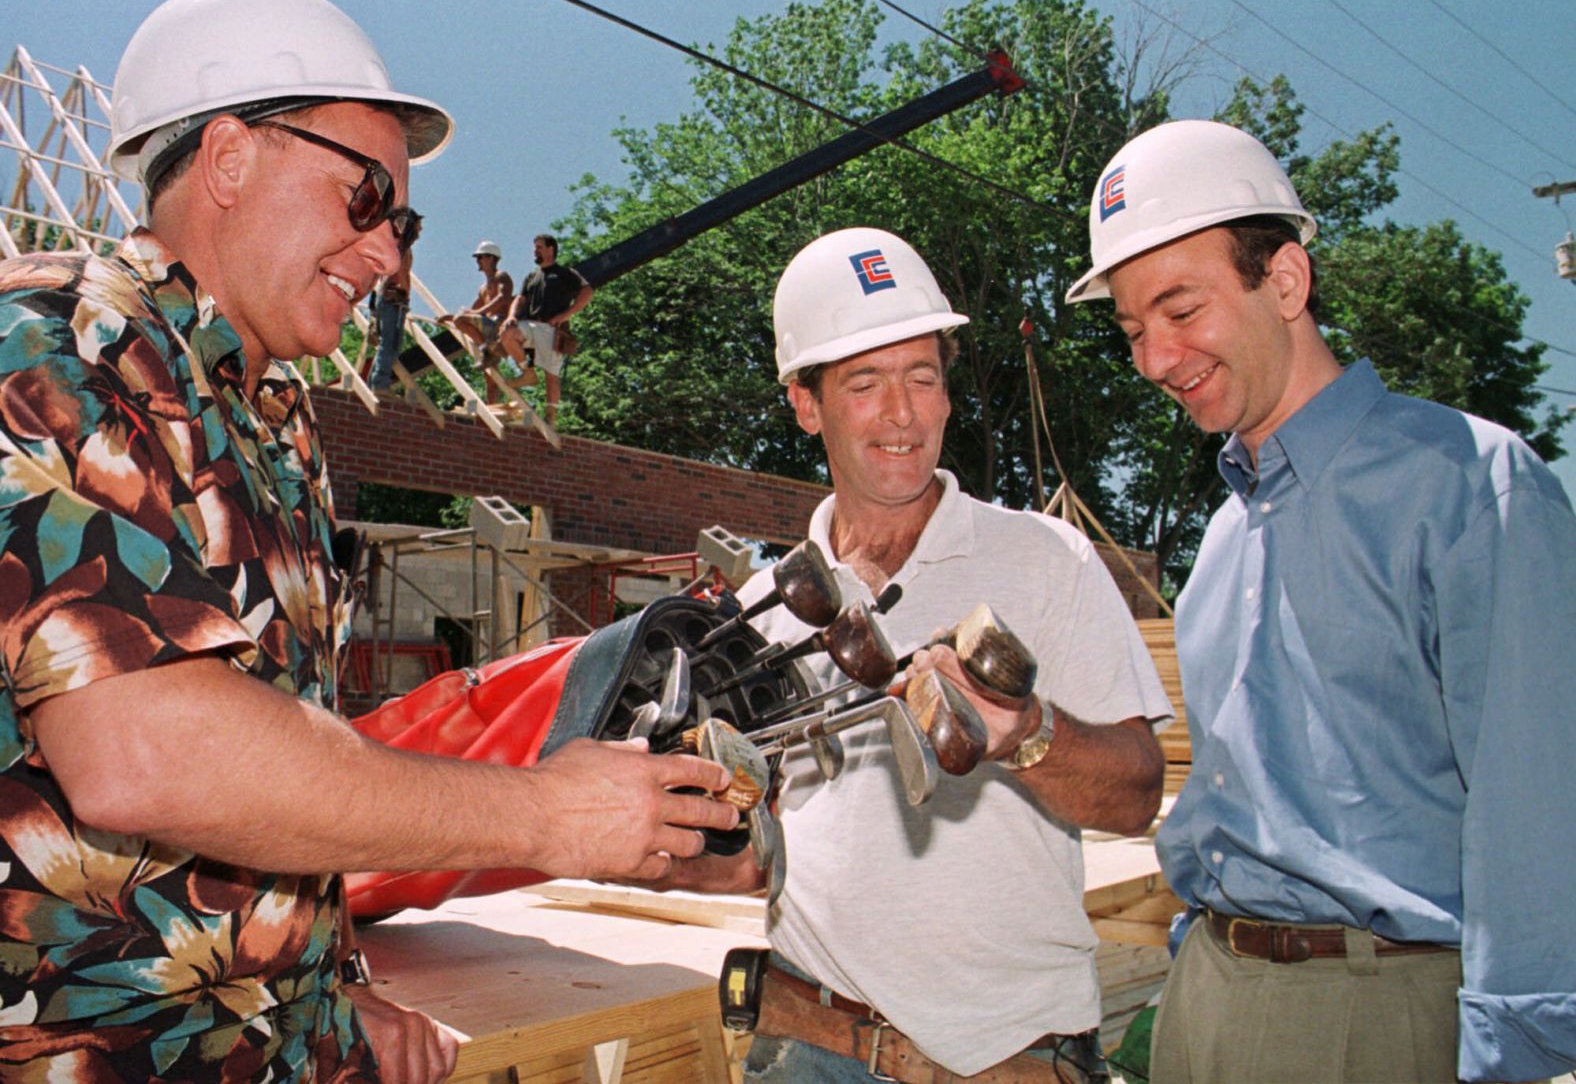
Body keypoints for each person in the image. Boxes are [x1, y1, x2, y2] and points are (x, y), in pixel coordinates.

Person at [0, 0, 738, 1084]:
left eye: (405, 223)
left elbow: (287, 749)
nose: (390, 257)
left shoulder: (276, 427)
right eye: (367, 198)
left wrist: (331, 978)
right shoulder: (52, 344)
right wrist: (544, 814)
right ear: (231, 157)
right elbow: (146, 752)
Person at [1067, 119, 1576, 1084]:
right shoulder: (1222, 543)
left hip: (1378, 1016)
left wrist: (1514, 1055)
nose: (1156, 359)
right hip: (1206, 1000)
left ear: (1287, 281)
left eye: (1181, 311)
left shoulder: (1469, 485)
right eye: (1134, 331)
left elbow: (1538, 816)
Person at [663, 227, 1173, 1083]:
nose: (901, 415)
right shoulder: (760, 612)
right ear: (805, 402)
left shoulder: (1047, 561)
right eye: (864, 383)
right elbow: (758, 850)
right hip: (807, 1047)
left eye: (923, 378)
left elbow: (1136, 793)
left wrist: (1027, 733)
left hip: (1004, 1059)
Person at [502, 233, 592, 426]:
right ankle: (527, 372)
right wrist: (511, 316)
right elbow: (520, 299)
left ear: (551, 249)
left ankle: (551, 416)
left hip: (552, 330)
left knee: (551, 376)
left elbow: (587, 291)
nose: (535, 251)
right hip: (530, 325)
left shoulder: (565, 273)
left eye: (539, 247)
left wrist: (566, 315)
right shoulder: (531, 276)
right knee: (508, 334)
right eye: (535, 248)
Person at [440, 240, 517, 401]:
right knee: (490, 377)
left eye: (481, 257)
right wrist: (450, 317)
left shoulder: (501, 276)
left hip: (498, 325)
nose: (478, 261)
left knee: (460, 319)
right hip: (488, 331)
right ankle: (491, 406)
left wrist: (473, 313)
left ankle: (486, 350)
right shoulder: (483, 289)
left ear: (492, 258)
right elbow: (470, 311)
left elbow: (503, 298)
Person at [367, 212, 422, 393]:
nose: (420, 230)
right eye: (418, 226)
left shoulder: (401, 247)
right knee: (389, 345)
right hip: (393, 300)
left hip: (390, 300)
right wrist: (405, 294)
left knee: (388, 345)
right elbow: (400, 274)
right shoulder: (401, 248)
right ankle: (379, 385)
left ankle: (374, 383)